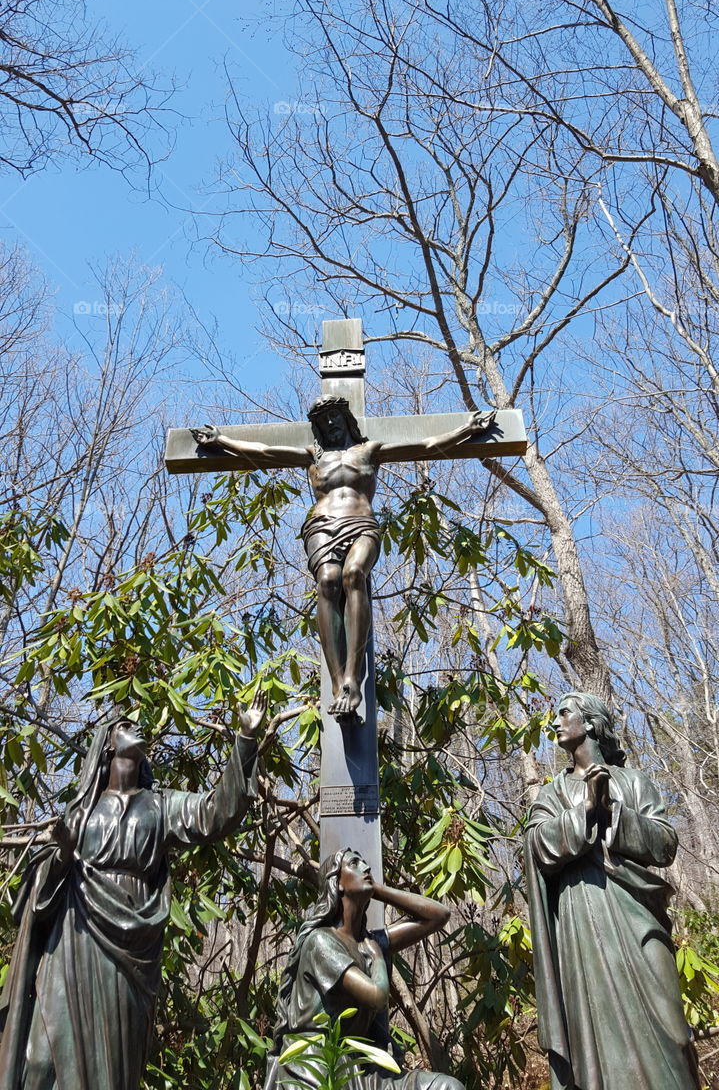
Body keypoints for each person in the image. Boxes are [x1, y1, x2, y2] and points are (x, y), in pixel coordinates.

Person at [0, 692, 267, 1090]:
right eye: (125, 724)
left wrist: (245, 739)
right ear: (108, 741)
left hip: (130, 949)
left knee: (110, 1070)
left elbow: (217, 814)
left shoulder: (160, 806)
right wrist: (63, 853)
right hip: (74, 938)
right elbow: (41, 896)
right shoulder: (81, 811)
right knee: (39, 1062)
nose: (136, 726)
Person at [192, 399, 490, 718]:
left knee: (354, 575)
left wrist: (466, 430)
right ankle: (337, 682)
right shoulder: (313, 455)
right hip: (322, 524)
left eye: (334, 417)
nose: (330, 424)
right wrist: (221, 441)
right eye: (323, 421)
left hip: (361, 523)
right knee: (328, 581)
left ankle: (352, 677)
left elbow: (428, 445)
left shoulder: (370, 450)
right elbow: (263, 452)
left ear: (346, 419)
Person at [523, 691, 700, 1090]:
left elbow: (665, 844)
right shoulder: (552, 793)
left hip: (636, 914)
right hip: (583, 924)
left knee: (673, 1031)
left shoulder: (633, 781)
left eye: (564, 713)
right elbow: (535, 846)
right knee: (597, 1036)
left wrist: (613, 813)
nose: (555, 721)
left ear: (589, 723)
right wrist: (585, 811)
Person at [264, 847, 465, 1090]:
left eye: (365, 864)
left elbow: (439, 915)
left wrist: (377, 889)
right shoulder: (321, 941)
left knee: (448, 1087)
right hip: (319, 1064)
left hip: (362, 1064)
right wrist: (378, 958)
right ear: (337, 884)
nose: (365, 868)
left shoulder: (369, 942)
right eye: (355, 864)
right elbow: (377, 997)